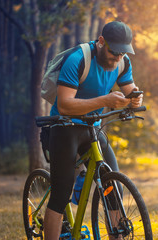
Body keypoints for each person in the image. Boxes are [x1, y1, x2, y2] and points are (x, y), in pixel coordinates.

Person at [43, 21, 143, 240]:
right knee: (61, 194)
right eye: (113, 51)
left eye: (122, 52)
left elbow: (129, 90)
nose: (117, 57)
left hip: (93, 127)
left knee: (113, 187)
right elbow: (65, 104)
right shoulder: (78, 59)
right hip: (64, 127)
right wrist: (106, 100)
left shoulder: (122, 62)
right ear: (100, 42)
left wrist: (134, 98)